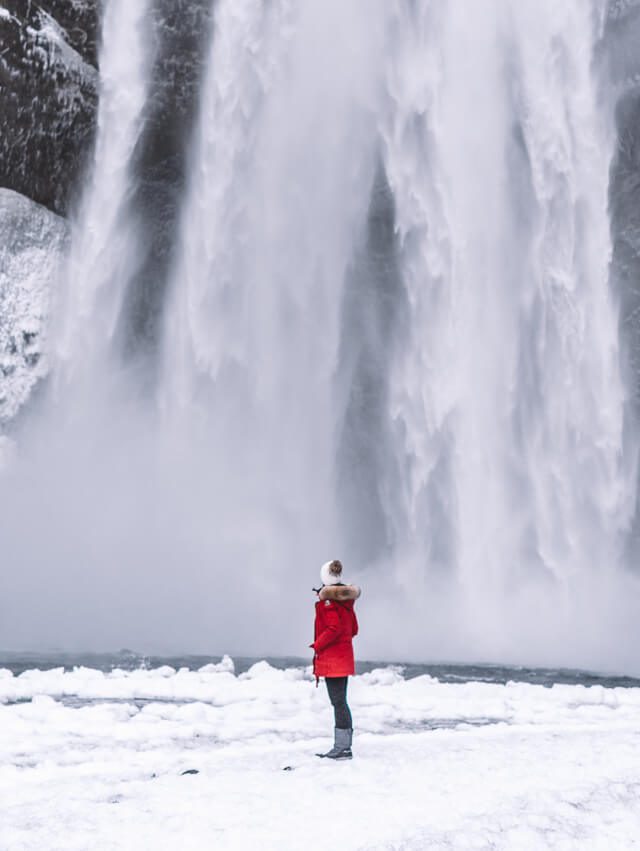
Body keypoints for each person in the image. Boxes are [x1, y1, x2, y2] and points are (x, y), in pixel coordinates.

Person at [310, 559, 361, 760]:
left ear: (325, 577)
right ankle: (343, 746)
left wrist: (318, 644)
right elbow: (353, 629)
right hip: (344, 658)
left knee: (338, 702)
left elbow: (334, 628)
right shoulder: (347, 603)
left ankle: (342, 748)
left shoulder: (328, 603)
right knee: (341, 702)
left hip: (333, 661)